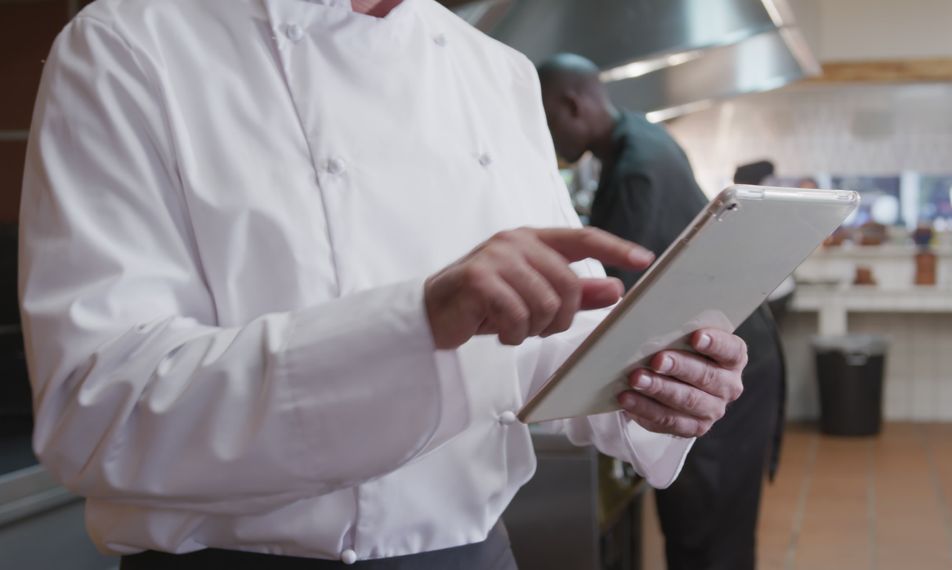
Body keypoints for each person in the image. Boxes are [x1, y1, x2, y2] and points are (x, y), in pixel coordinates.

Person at [19, 2, 749, 569]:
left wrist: (654, 374)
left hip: (477, 553)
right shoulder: (128, 46)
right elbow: (96, 406)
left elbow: (554, 340)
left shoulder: (495, 70)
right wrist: (418, 322)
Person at [537, 54, 785, 570]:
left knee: (704, 529)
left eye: (547, 119)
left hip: (716, 362)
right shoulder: (642, 138)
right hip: (729, 350)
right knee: (720, 526)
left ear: (571, 104)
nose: (547, 135)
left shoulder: (635, 167)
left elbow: (613, 295)